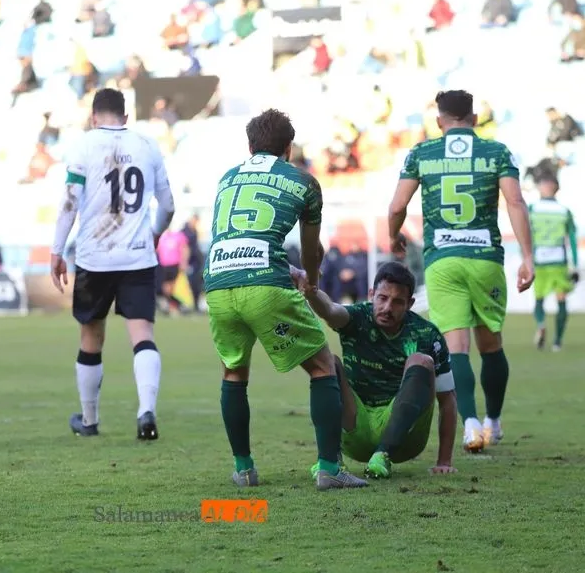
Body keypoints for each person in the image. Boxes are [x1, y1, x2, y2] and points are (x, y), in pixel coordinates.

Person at [203, 108, 367, 490]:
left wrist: (286, 268)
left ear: (250, 146)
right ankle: (329, 469)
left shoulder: (227, 178)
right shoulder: (304, 182)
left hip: (218, 282)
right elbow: (311, 252)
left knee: (233, 372)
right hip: (265, 287)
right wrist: (310, 281)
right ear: (289, 148)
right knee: (323, 366)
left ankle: (244, 469)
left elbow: (239, 238)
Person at [388, 90, 534, 453]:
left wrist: (394, 235)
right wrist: (528, 257)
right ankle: (493, 421)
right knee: (491, 343)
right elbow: (515, 201)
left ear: (439, 121)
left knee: (456, 346)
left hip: (443, 261)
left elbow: (397, 206)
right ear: (474, 119)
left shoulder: (422, 153)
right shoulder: (496, 152)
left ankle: (469, 425)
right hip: (485, 258)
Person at [50, 88, 175, 441]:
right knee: (142, 335)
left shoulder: (83, 146)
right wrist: (154, 233)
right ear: (126, 117)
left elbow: (70, 203)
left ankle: (89, 421)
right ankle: (146, 409)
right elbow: (168, 205)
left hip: (95, 256)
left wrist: (57, 250)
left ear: (93, 118)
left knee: (91, 335)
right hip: (137, 254)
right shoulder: (147, 145)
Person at [295, 261, 458, 479]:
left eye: (397, 302)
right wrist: (312, 292)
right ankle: (330, 460)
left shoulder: (427, 334)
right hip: (356, 428)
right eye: (382, 298)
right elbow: (330, 310)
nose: (388, 308)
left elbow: (448, 399)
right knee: (328, 362)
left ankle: (383, 454)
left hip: (405, 440)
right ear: (372, 294)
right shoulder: (357, 318)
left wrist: (444, 461)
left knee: (421, 361)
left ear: (410, 303)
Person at [528, 176, 579, 352]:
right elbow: (572, 239)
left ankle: (541, 324)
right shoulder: (564, 211)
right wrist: (575, 265)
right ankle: (557, 341)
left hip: (539, 259)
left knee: (539, 298)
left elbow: (525, 234)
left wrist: (526, 259)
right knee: (561, 298)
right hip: (558, 260)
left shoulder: (532, 209)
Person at [155, 225, 188, 314]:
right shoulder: (162, 237)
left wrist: (184, 262)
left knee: (169, 289)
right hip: (163, 266)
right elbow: (157, 249)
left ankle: (177, 306)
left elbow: (185, 249)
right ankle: (177, 306)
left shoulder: (178, 236)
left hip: (174, 265)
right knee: (166, 289)